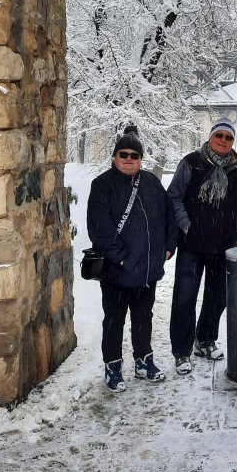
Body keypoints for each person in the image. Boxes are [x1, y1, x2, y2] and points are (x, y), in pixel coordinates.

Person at [87, 124, 177, 393]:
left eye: (134, 155)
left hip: (147, 270)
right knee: (114, 320)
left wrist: (168, 247)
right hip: (118, 271)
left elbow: (169, 216)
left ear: (140, 159)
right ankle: (113, 366)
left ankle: (144, 360)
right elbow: (99, 229)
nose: (129, 159)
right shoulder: (102, 185)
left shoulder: (151, 182)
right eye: (123, 154)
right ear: (115, 157)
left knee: (143, 318)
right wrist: (123, 259)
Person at [168, 117, 237, 374]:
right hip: (192, 244)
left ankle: (205, 339)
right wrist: (186, 225)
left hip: (224, 245)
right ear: (211, 136)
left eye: (229, 137)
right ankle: (181, 351)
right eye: (219, 135)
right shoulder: (191, 163)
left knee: (218, 297)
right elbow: (174, 196)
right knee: (185, 298)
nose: (223, 141)